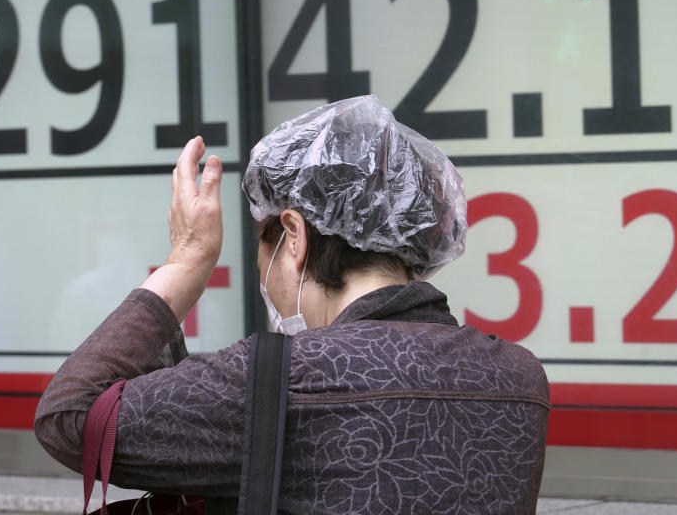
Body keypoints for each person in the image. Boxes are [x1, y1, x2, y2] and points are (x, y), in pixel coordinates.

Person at [35, 95, 550, 514]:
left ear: (294, 236)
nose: (265, 274)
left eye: (264, 246)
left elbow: (73, 419)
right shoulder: (521, 378)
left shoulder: (276, 379)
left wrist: (187, 260)